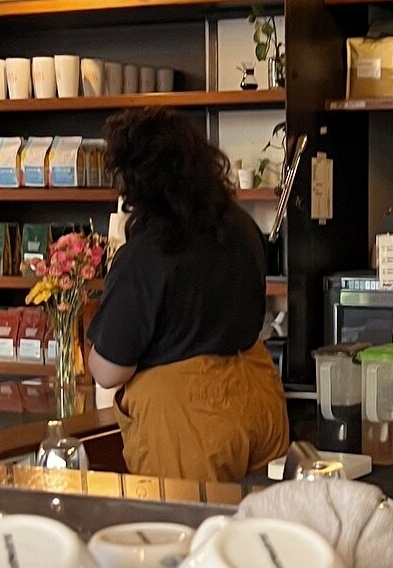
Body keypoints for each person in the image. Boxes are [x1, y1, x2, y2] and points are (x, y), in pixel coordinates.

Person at [85, 109, 289, 481]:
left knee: (188, 535)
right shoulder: (241, 228)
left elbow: (109, 370)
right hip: (260, 402)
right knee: (253, 532)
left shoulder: (147, 253)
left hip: (188, 427)